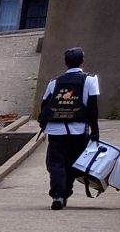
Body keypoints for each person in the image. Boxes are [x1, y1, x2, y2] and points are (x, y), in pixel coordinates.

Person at [39, 46, 101, 210]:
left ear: (65, 63)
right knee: (73, 163)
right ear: (82, 61)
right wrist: (95, 132)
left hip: (56, 130)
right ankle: (65, 193)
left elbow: (45, 104)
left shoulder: (55, 82)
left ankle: (58, 195)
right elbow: (93, 109)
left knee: (57, 163)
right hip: (78, 129)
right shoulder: (90, 80)